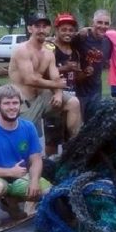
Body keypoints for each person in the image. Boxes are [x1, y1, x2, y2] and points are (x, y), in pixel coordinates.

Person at [0, 84, 52, 228]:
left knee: (48, 192)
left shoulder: (28, 127)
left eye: (15, 103)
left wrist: (34, 181)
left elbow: (36, 160)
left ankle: (10, 201)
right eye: (6, 103)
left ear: (21, 105)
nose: (12, 107)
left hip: (18, 176)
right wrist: (9, 172)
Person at [9, 12, 80, 149]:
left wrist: (58, 93)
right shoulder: (22, 50)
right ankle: (19, 167)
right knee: (24, 143)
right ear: (30, 29)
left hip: (42, 97)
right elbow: (29, 79)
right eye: (37, 26)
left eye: (45, 26)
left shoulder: (48, 53)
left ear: (49, 29)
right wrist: (55, 84)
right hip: (24, 102)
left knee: (73, 103)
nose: (42, 30)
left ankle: (74, 144)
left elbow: (55, 77)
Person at [43, 12, 94, 155]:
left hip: (72, 99)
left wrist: (85, 73)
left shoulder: (75, 52)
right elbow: (42, 73)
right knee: (52, 140)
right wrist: (64, 68)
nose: (68, 33)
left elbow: (75, 78)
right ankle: (50, 168)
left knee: (70, 139)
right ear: (57, 30)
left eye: (71, 30)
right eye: (64, 29)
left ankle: (67, 165)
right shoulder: (50, 49)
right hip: (54, 99)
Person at [71, 9, 113, 123]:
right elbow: (62, 42)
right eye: (99, 22)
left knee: (92, 125)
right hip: (78, 91)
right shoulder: (82, 37)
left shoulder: (108, 42)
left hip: (96, 91)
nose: (103, 26)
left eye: (106, 23)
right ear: (92, 22)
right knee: (76, 127)